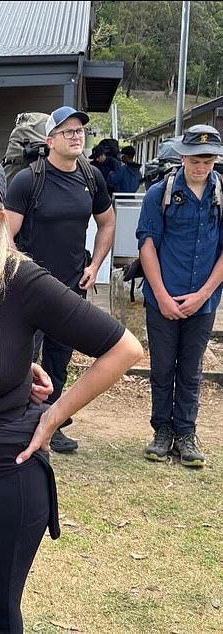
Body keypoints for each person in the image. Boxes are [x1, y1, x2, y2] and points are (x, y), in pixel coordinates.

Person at [0, 150, 143, 633]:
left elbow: (124, 349)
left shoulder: (21, 281)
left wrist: (55, 414)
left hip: (4, 472)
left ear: (0, 217)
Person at [4, 105, 116, 453]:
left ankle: (52, 422)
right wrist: (20, 273)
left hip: (71, 289)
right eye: (67, 131)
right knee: (24, 359)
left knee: (59, 360)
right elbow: (5, 234)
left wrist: (95, 265)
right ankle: (19, 421)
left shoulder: (90, 177)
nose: (76, 136)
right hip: (31, 290)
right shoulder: (28, 180)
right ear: (49, 140)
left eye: (80, 130)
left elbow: (107, 222)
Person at [137, 124, 223, 467]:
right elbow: (147, 245)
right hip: (163, 297)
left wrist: (203, 295)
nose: (201, 167)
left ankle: (186, 433)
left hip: (203, 302)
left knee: (190, 370)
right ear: (183, 156)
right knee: (161, 367)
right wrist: (161, 295)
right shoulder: (160, 193)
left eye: (208, 160)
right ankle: (162, 431)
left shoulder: (221, 195)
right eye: (195, 159)